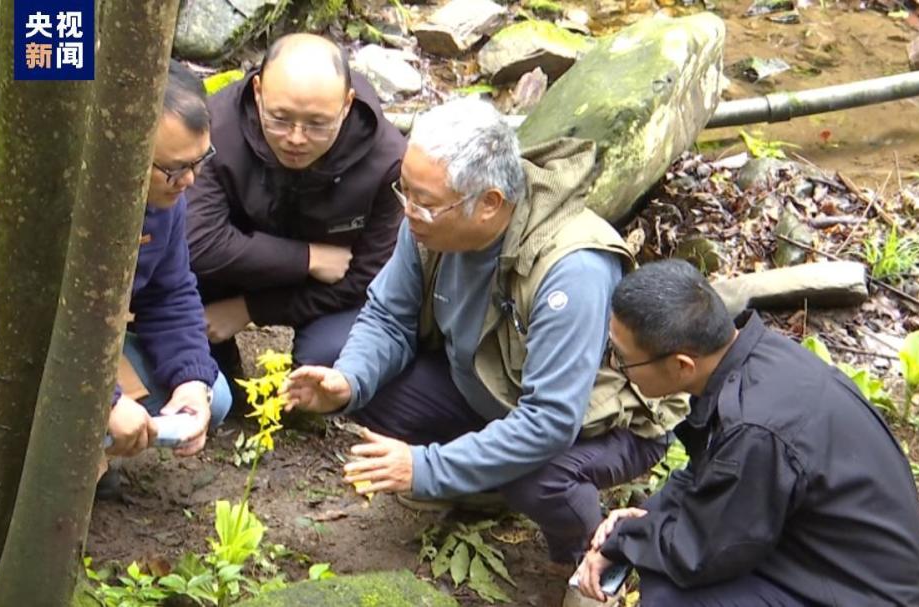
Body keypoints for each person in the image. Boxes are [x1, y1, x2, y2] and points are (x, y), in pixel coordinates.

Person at [282, 98, 688, 595]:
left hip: (598, 423)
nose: (408, 210)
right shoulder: (430, 221)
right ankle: (482, 480)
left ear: (490, 203)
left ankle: (592, 564)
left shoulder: (571, 267)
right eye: (403, 191)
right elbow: (389, 316)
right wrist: (348, 380)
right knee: (332, 355)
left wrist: (425, 467)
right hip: (487, 384)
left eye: (423, 199)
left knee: (538, 477)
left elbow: (550, 422)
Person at [0, 61, 233, 566]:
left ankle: (85, 453)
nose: (190, 181)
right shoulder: (35, 207)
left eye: (200, 161)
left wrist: (190, 381)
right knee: (36, 417)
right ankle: (73, 458)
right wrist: (102, 404)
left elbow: (171, 294)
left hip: (81, 345)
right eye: (174, 168)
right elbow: (0, 346)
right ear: (120, 148)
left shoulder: (166, 198)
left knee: (212, 397)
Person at [575, 259, 919, 606]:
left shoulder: (754, 428)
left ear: (682, 365)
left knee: (670, 596)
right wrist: (645, 516)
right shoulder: (755, 358)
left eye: (622, 359)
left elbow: (699, 553)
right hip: (826, 553)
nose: (615, 368)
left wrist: (622, 542)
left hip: (867, 593)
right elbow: (708, 472)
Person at [186, 33, 406, 383]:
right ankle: (217, 367)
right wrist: (306, 257)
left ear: (347, 104)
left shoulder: (387, 160)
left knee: (330, 358)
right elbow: (197, 243)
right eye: (280, 119)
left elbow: (370, 276)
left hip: (329, 290)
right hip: (226, 269)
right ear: (257, 91)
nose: (296, 138)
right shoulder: (216, 126)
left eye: (318, 124)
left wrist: (250, 310)